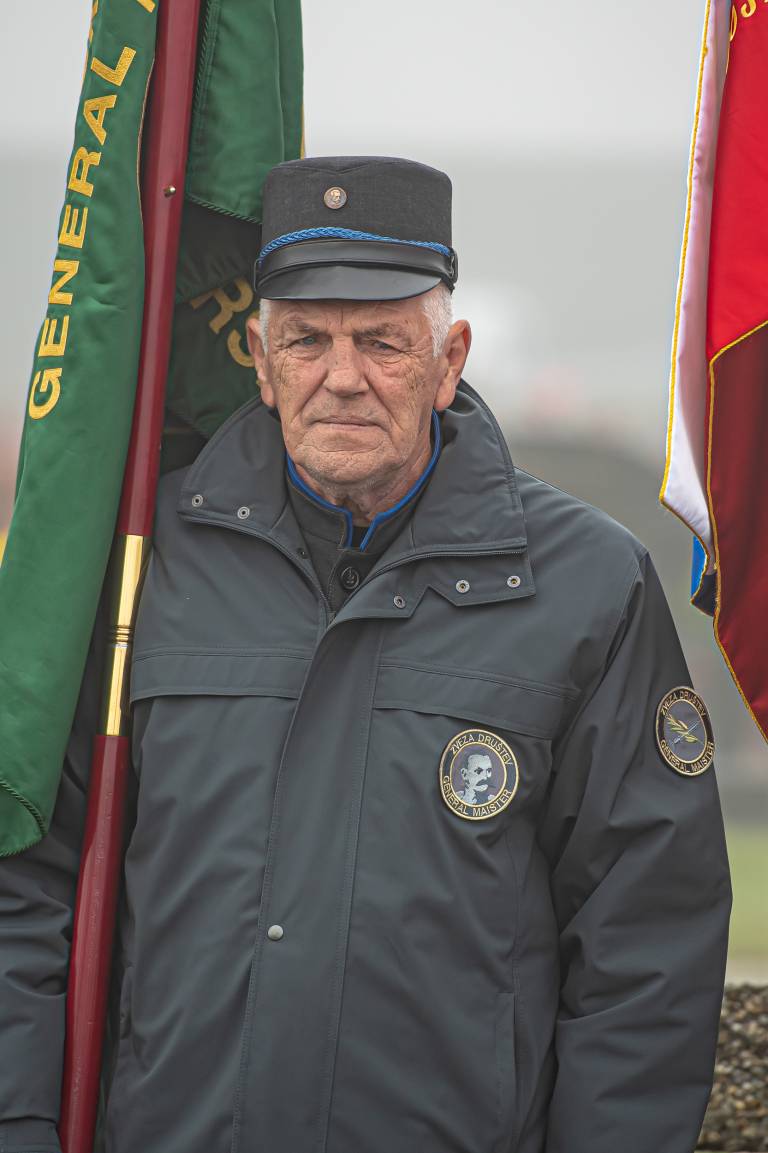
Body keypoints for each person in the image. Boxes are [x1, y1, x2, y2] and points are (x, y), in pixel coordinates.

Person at [0, 156, 731, 1153]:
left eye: (383, 341)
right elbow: (27, 871)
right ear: (261, 361)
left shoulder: (589, 585)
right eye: (306, 339)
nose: (342, 377)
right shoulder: (138, 563)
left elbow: (648, 937)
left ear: (450, 358)